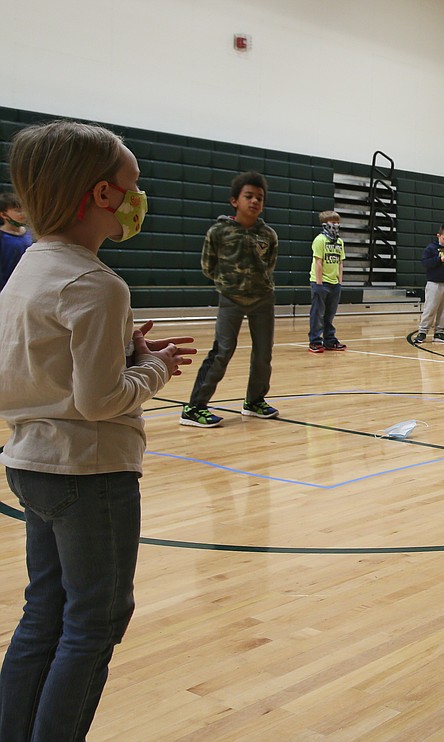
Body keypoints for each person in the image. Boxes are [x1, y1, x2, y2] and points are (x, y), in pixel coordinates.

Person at [0, 120, 196, 740]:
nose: (140, 196)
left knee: (44, 614)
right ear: (105, 195)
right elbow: (100, 400)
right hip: (89, 474)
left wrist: (122, 350)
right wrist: (157, 368)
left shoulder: (31, 265)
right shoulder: (98, 284)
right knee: (94, 622)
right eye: (132, 184)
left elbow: (37, 363)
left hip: (30, 463)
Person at [181, 171, 279, 428]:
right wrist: (229, 284)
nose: (255, 202)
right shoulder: (218, 231)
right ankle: (195, 407)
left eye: (260, 198)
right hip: (230, 300)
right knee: (223, 351)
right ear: (235, 201)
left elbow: (269, 265)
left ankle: (254, 401)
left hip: (263, 300)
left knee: (263, 353)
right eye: (249, 196)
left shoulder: (268, 235)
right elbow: (208, 265)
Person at [308, 210, 347, 353]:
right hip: (320, 282)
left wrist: (339, 281)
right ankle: (315, 341)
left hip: (334, 283)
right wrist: (319, 283)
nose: (336, 225)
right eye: (333, 222)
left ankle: (330, 340)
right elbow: (319, 261)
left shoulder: (340, 242)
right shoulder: (320, 240)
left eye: (338, 222)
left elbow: (340, 262)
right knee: (318, 313)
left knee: (330, 314)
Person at [0, 192, 34, 293]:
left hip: (25, 287)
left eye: (24, 209)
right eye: (18, 211)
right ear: (3, 214)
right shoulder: (2, 237)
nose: (23, 214)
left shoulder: (29, 233)